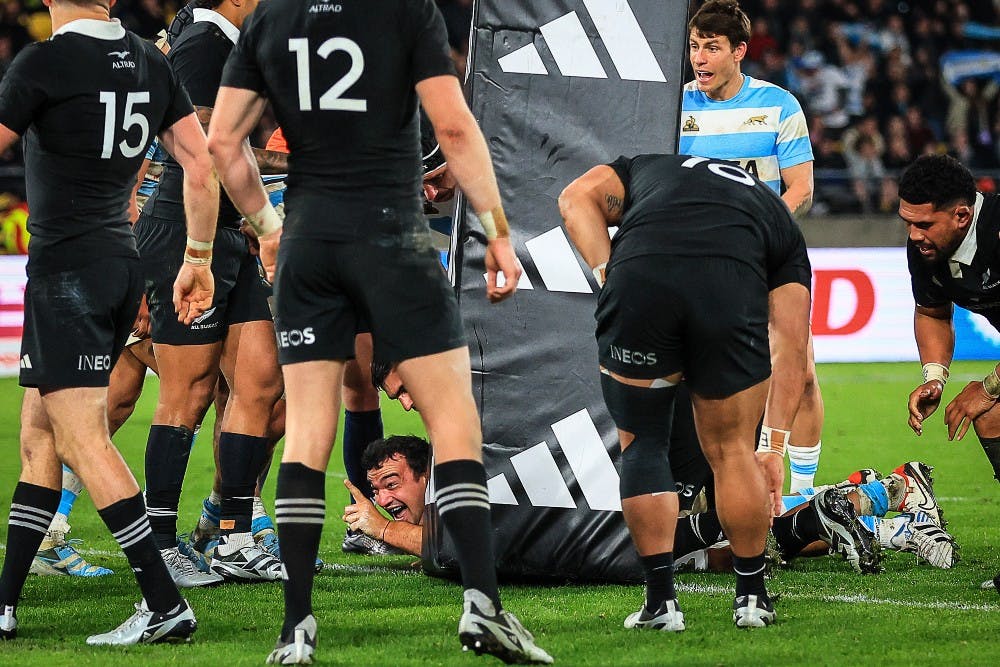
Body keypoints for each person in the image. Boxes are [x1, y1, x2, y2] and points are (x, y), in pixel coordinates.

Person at [206, 0, 551, 664]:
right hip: (391, 234)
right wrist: (499, 230)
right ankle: (484, 607)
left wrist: (268, 228)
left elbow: (224, 142)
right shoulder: (404, 10)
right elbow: (451, 125)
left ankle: (297, 625)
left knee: (308, 430)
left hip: (309, 240)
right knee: (454, 419)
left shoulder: (271, 16)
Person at [0, 0, 218, 644]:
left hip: (66, 270)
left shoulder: (42, 62)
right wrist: (196, 258)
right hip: (120, 263)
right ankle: (6, 602)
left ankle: (163, 602)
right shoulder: (152, 59)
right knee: (40, 434)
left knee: (81, 439)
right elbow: (199, 164)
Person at [560, 153, 812, 630]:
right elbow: (792, 347)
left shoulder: (647, 168)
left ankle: (660, 604)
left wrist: (607, 273)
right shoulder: (779, 218)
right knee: (733, 451)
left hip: (641, 279)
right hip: (728, 287)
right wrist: (774, 446)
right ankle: (752, 600)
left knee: (642, 443)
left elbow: (574, 199)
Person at [135, 0, 288, 584]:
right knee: (189, 390)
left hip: (234, 232)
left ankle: (234, 533)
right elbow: (207, 148)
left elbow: (234, 149)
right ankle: (162, 541)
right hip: (182, 230)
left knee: (259, 380)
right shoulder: (205, 43)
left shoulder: (231, 45)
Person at [681, 0, 824, 494]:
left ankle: (800, 496)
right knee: (699, 380)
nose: (700, 58)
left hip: (765, 258)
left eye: (712, 48)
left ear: (739, 51)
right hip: (695, 264)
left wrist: (756, 234)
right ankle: (701, 491)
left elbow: (801, 189)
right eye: (695, 46)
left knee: (799, 369)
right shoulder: (671, 108)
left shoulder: (780, 105)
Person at [899, 153, 1000, 594]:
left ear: (962, 215)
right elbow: (932, 311)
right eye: (907, 222)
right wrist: (936, 375)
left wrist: (990, 386)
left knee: (990, 405)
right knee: (994, 416)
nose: (913, 235)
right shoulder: (927, 249)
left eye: (924, 224)